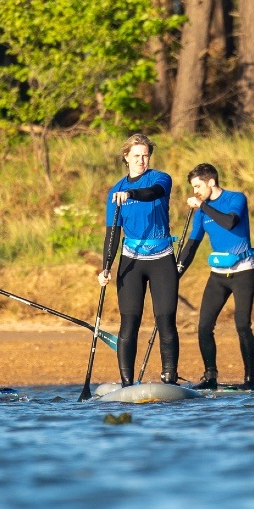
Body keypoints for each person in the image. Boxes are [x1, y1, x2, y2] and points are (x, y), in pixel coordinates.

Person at [98, 134, 179, 386]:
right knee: (129, 322)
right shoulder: (115, 192)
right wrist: (106, 267)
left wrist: (131, 193)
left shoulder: (160, 179)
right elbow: (112, 234)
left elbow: (152, 193)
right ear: (126, 157)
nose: (142, 160)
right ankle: (126, 383)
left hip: (162, 259)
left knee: (165, 320)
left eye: (145, 155)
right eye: (136, 156)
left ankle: (169, 377)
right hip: (131, 262)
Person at [177, 163, 254, 390]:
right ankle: (210, 375)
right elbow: (192, 245)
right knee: (204, 327)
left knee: (242, 325)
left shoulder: (236, 198)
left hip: (242, 271)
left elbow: (230, 222)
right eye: (193, 188)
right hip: (218, 276)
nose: (195, 192)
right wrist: (176, 273)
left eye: (198, 186)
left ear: (211, 182)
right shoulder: (202, 213)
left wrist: (203, 206)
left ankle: (249, 380)